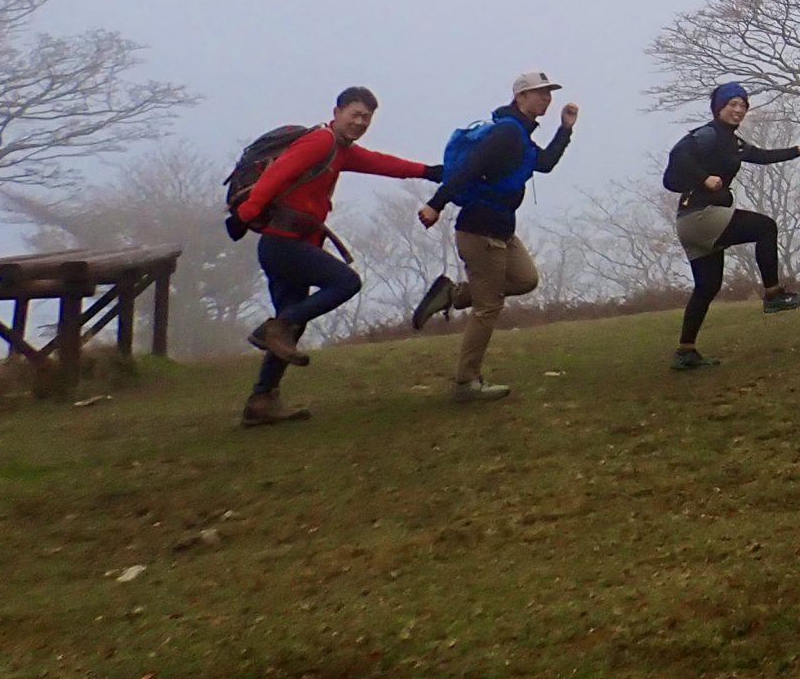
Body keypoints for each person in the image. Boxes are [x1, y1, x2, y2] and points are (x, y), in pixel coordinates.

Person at [234, 86, 444, 427]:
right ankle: (276, 330)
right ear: (337, 112)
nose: (360, 122)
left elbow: (380, 163)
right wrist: (248, 212)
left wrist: (428, 171)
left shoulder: (341, 150)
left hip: (292, 243)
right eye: (355, 114)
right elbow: (278, 173)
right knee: (345, 282)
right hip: (283, 244)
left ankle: (261, 400)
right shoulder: (320, 142)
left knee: (290, 325)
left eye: (367, 118)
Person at [411, 70, 575, 403]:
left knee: (526, 280)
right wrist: (435, 204)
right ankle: (465, 383)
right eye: (539, 92)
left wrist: (565, 129)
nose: (547, 98)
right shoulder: (507, 133)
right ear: (520, 97)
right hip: (479, 230)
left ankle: (453, 294)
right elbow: (468, 168)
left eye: (548, 93)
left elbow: (543, 164)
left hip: (503, 231)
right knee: (488, 306)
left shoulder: (522, 136)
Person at [663, 80, 800, 370]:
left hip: (691, 222)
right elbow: (677, 156)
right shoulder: (709, 134)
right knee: (765, 227)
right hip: (701, 216)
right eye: (732, 104)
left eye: (743, 105)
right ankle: (773, 295)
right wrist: (704, 179)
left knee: (707, 286)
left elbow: (761, 156)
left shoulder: (732, 141)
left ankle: (685, 352)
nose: (738, 109)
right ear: (718, 108)